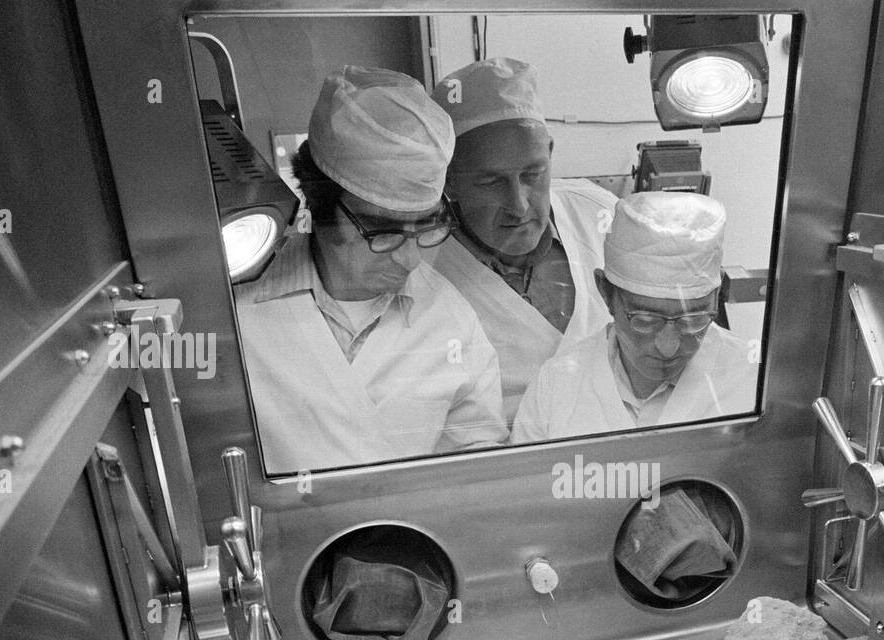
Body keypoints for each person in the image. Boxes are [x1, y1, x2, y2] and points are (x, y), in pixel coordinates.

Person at [235, 66, 508, 474]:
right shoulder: (237, 314)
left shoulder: (451, 320)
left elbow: (477, 467)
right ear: (321, 205)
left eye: (427, 225)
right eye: (382, 229)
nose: (409, 259)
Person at [429, 58, 616, 423]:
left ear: (550, 153)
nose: (518, 205)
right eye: (491, 182)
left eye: (533, 174)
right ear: (449, 181)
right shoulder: (426, 270)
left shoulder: (598, 214)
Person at [511, 192, 757, 442]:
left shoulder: (753, 383)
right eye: (646, 320)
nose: (668, 347)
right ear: (606, 293)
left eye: (692, 319)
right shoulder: (557, 387)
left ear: (717, 296)